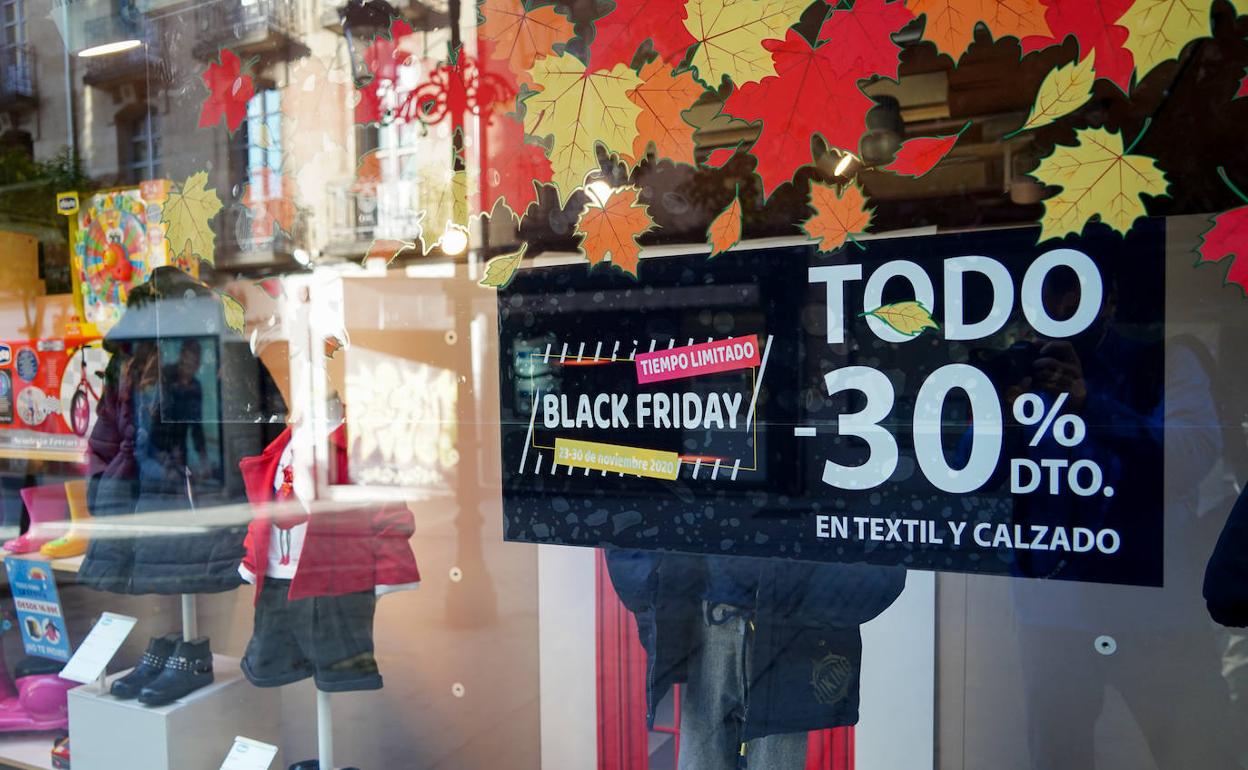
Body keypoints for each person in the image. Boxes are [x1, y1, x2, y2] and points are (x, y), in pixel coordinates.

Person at [607, 550, 904, 770]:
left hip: (789, 623)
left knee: (771, 761)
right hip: (711, 612)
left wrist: (808, 601)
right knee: (700, 760)